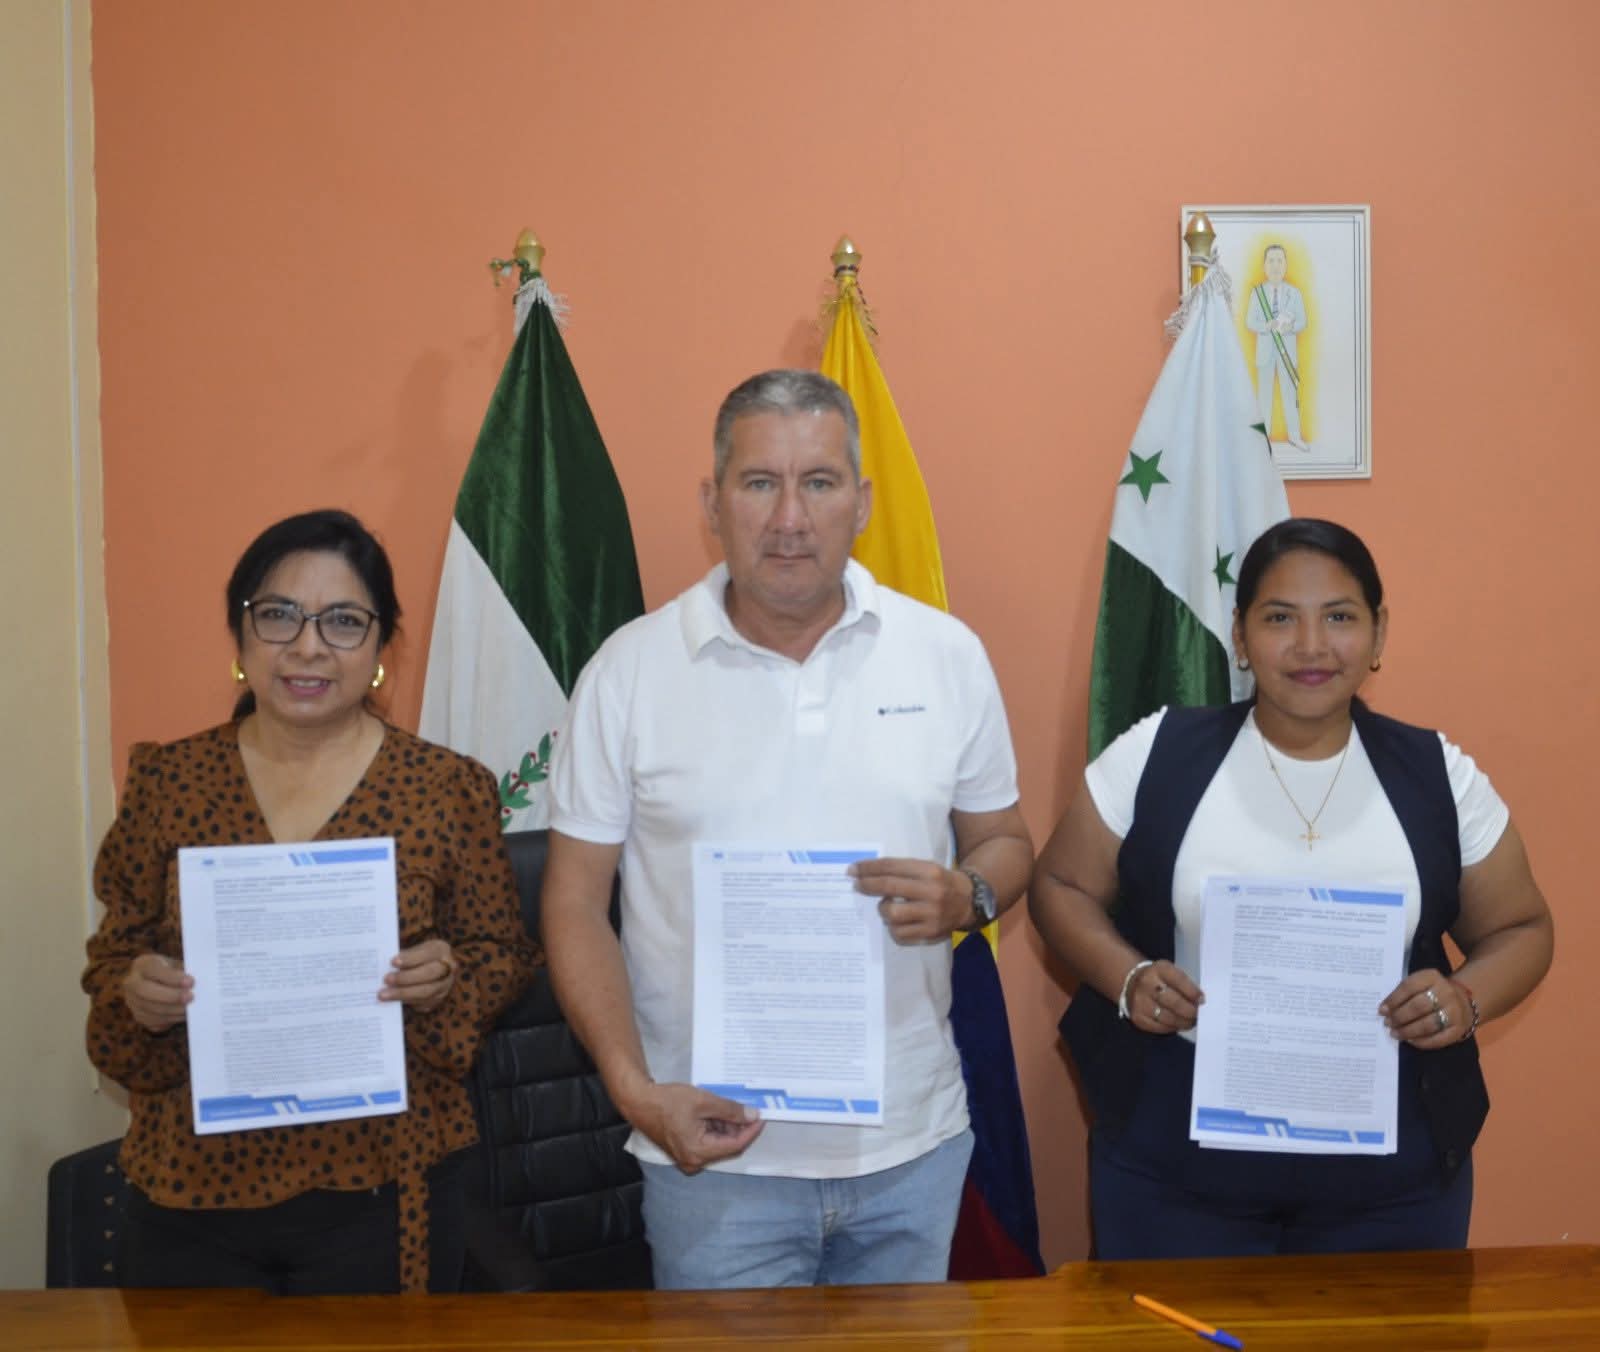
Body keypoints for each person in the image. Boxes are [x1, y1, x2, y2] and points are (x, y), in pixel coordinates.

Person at [541, 369, 1033, 1289]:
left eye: (819, 482)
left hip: (909, 1155)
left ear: (862, 502)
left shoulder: (946, 655)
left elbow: (1007, 840)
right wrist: (635, 1092)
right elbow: (572, 904)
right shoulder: (629, 672)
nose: (790, 518)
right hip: (710, 1162)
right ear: (712, 503)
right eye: (760, 482)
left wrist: (968, 895)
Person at [1030, 517, 1552, 1259]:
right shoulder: (1159, 752)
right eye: (1279, 618)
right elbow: (1058, 883)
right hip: (1175, 1167)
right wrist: (1127, 976)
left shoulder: (1438, 774)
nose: (1311, 646)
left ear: (1378, 633)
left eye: (1339, 617)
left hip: (1391, 1176)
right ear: (1240, 637)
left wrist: (1464, 1000)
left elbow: (1523, 929)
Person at [83, 509, 537, 1294]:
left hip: (386, 1184)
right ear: (241, 634)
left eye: (343, 622)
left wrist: (447, 975)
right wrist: (136, 991)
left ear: (382, 647)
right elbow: (113, 961)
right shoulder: (168, 782)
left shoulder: (445, 789)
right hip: (191, 1186)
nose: (307, 646)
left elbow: (501, 955)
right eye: (279, 615)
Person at [1245, 243, 1309, 451]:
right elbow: (1249, 322)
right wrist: (1266, 326)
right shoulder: (1257, 293)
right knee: (1264, 395)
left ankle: (1294, 436)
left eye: (1280, 260)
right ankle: (1263, 439)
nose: (1275, 265)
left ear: (1285, 265)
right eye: (1271, 261)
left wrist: (1291, 327)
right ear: (1264, 266)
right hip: (1265, 351)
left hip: (1286, 352)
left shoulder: (1294, 293)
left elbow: (1303, 322)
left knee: (1290, 394)